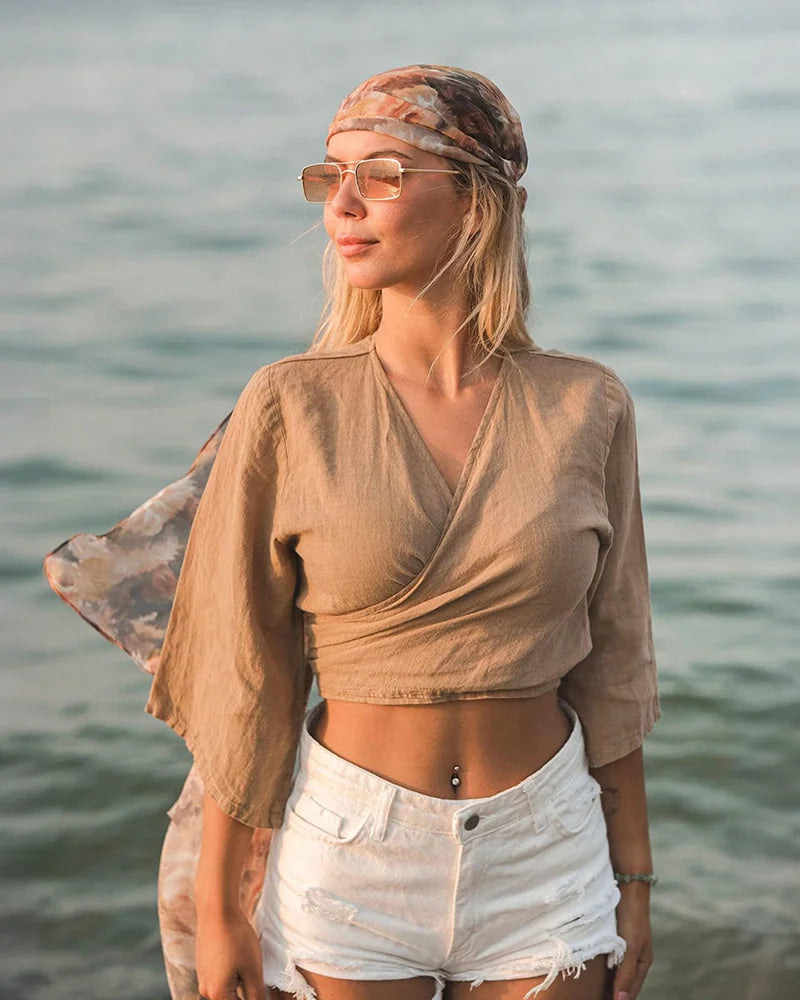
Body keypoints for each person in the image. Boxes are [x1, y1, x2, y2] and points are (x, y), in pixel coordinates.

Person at [144, 64, 661, 1000]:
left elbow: (615, 659)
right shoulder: (290, 405)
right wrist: (220, 908)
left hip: (549, 846)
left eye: (382, 173)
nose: (342, 203)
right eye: (330, 176)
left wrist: (634, 880)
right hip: (352, 853)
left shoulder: (588, 405)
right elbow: (244, 675)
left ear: (477, 205)